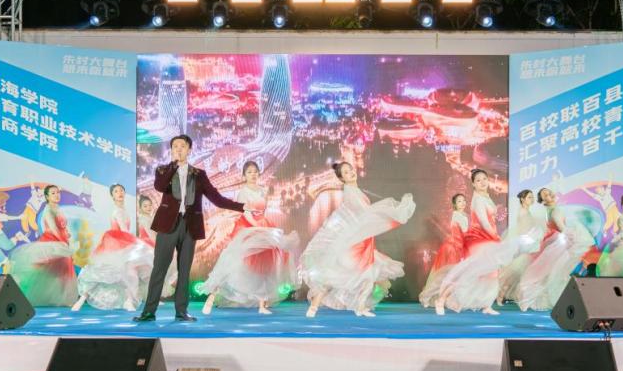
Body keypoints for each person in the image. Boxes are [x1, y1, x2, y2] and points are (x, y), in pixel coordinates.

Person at [134, 135, 255, 322]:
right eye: (175, 146)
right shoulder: (163, 170)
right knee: (159, 268)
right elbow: (159, 186)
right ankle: (149, 312)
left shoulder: (199, 174)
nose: (178, 149)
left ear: (189, 149)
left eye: (182, 146)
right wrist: (173, 165)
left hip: (190, 225)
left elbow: (216, 199)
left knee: (184, 270)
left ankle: (181, 311)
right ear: (171, 150)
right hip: (167, 225)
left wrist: (242, 206)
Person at [299, 161, 414, 317]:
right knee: (340, 275)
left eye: (351, 169)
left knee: (366, 276)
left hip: (361, 242)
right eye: (346, 172)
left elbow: (364, 215)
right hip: (354, 245)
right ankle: (315, 307)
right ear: (342, 179)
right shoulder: (350, 192)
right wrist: (390, 213)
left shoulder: (355, 191)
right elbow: (365, 214)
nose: (351, 173)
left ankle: (359, 308)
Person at [200, 161, 300, 315]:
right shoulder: (243, 192)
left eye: (255, 171)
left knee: (265, 266)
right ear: (244, 175)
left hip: (263, 226)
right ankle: (212, 297)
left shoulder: (263, 190)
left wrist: (264, 228)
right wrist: (256, 227)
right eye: (249, 172)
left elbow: (263, 211)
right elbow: (245, 212)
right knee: (235, 265)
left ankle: (262, 305)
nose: (253, 174)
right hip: (247, 227)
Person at [434, 170, 518, 315]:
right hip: (479, 239)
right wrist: (495, 236)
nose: (483, 182)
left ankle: (487, 305)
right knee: (470, 274)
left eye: (485, 178)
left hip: (488, 238)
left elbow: (491, 219)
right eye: (478, 180)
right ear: (473, 184)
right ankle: (441, 300)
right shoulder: (478, 199)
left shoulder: (486, 197)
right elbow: (484, 222)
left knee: (491, 273)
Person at [72, 184, 154, 311]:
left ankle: (128, 301)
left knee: (127, 273)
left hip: (122, 244)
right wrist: (136, 243)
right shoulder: (117, 211)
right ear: (112, 196)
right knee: (103, 273)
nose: (119, 193)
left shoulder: (123, 210)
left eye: (121, 190)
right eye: (116, 191)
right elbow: (124, 230)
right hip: (115, 245)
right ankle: (82, 299)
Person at [516, 187, 598, 311]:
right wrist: (575, 235)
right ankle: (555, 299)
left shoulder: (550, 210)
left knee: (555, 273)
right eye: (545, 195)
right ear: (543, 201)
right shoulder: (554, 211)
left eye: (549, 192)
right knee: (556, 273)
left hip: (557, 244)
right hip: (559, 245)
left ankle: (558, 299)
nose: (549, 194)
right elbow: (561, 228)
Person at [8, 184, 79, 306]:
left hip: (61, 240)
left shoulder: (58, 208)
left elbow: (62, 226)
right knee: (44, 271)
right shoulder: (48, 210)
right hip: (52, 241)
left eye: (58, 192)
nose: (56, 195)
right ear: (47, 196)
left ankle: (64, 298)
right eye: (53, 193)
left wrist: (67, 234)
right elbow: (53, 228)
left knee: (63, 269)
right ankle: (25, 295)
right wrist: (62, 241)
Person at [417, 194, 469, 309]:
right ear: (454, 204)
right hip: (453, 248)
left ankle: (449, 300)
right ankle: (428, 297)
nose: (462, 203)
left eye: (464, 200)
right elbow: (465, 232)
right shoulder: (457, 215)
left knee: (452, 276)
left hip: (458, 248)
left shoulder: (463, 215)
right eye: (459, 201)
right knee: (447, 276)